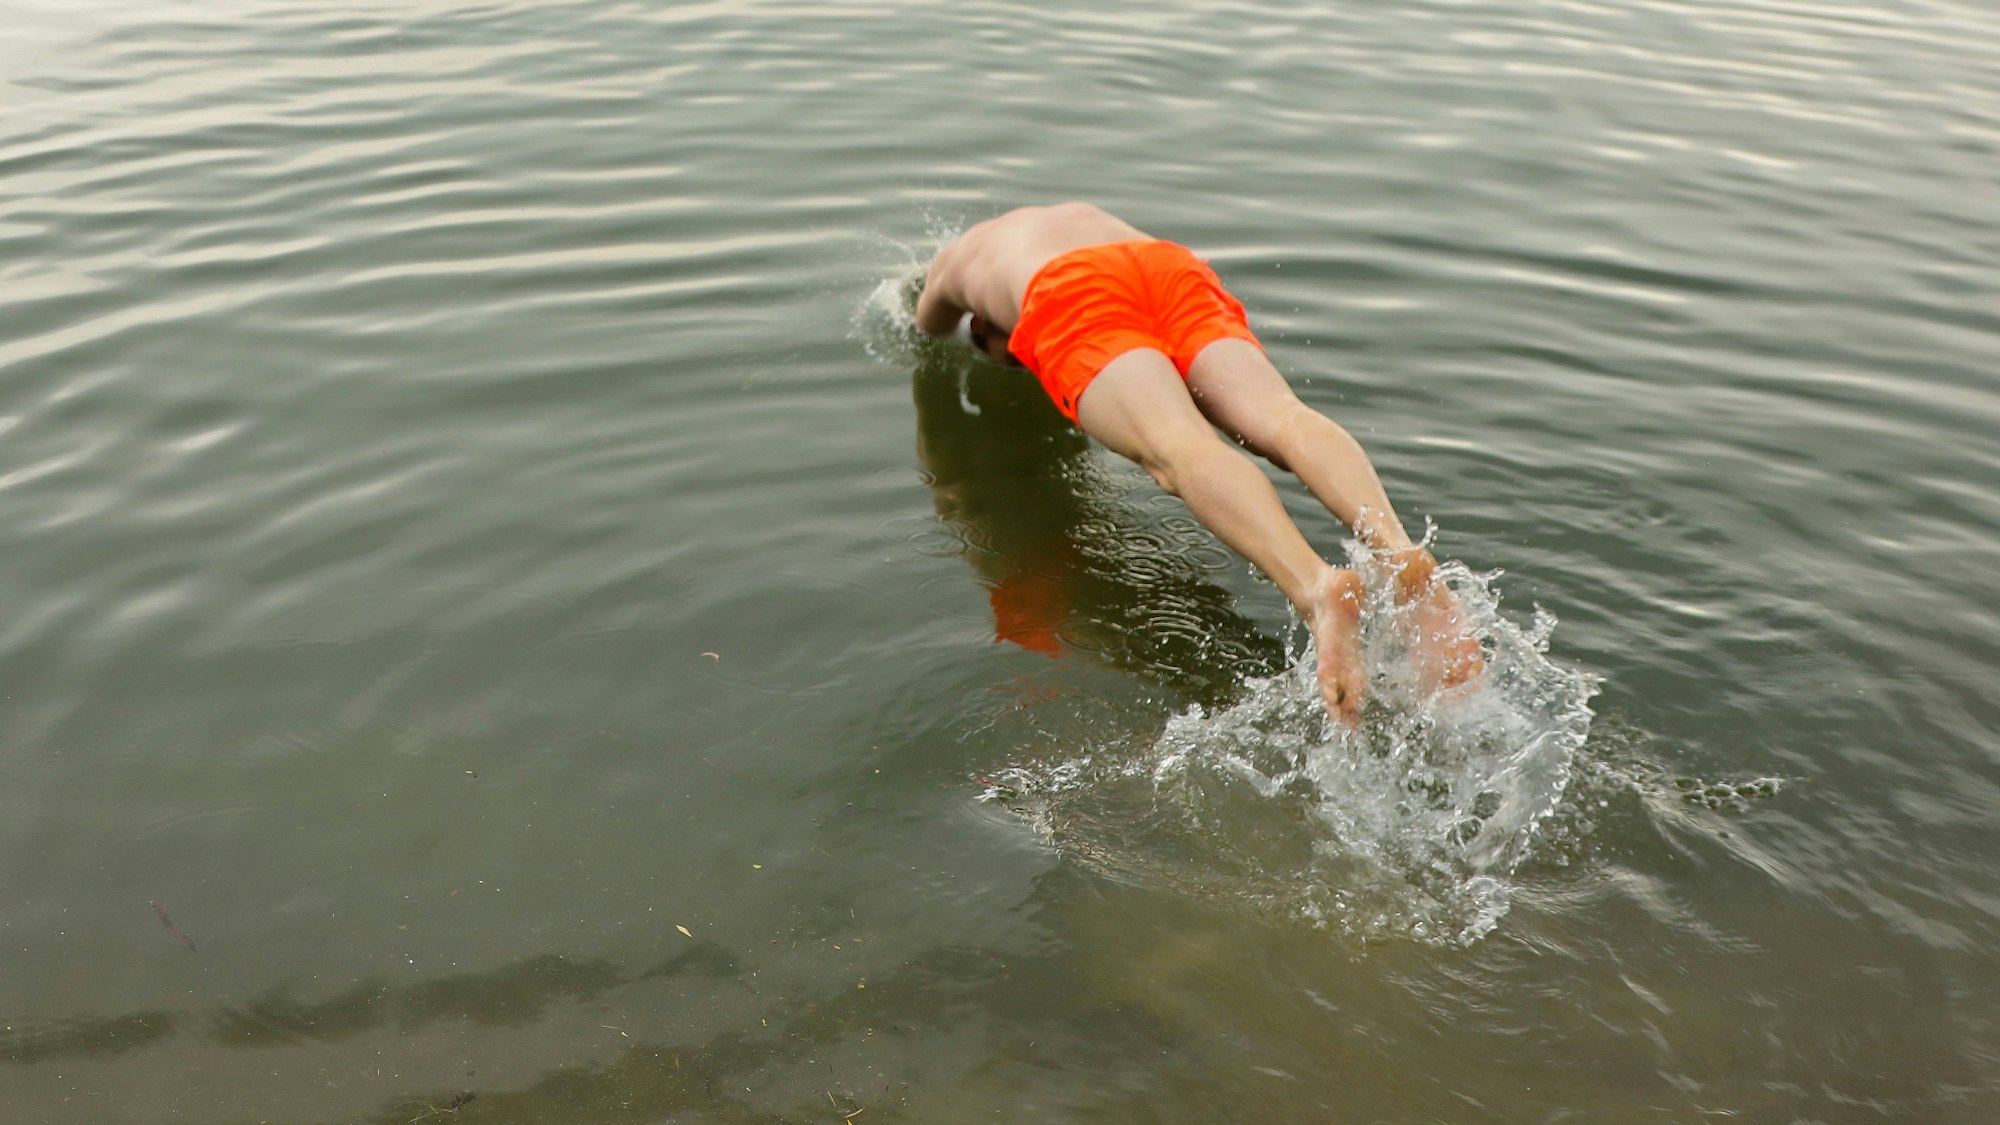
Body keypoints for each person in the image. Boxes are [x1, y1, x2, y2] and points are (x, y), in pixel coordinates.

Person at [914, 202, 1481, 720]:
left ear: (988, 330)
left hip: (1069, 292)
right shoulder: (1073, 217)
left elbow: (926, 326)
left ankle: (1316, 589)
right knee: (1282, 417)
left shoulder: (957, 262)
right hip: (1165, 266)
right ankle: (1395, 547)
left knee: (1179, 448)